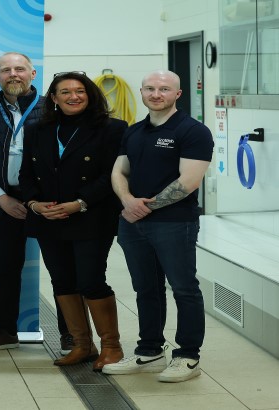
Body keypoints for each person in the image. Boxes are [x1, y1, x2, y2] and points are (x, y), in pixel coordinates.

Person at [103, 70, 213, 383]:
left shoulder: (193, 131)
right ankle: (149, 350)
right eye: (150, 88)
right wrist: (128, 201)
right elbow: (119, 171)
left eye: (164, 89)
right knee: (145, 288)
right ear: (141, 92)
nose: (156, 94)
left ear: (178, 94)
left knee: (184, 288)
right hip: (133, 223)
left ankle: (188, 355)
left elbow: (189, 181)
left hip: (174, 223)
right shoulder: (134, 131)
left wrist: (143, 207)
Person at [19, 71, 127, 370]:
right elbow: (26, 173)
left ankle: (112, 347)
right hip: (49, 217)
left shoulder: (113, 129)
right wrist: (34, 204)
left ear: (90, 95)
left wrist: (80, 202)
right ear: (54, 98)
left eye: (79, 91)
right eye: (65, 92)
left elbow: (113, 174)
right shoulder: (37, 129)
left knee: (91, 280)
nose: (73, 96)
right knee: (62, 281)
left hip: (92, 216)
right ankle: (82, 345)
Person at [0, 52, 61, 352]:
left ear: (33, 73)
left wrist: (48, 200)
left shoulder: (55, 109)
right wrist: (1, 198)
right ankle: (6, 331)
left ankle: (72, 336)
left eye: (20, 68)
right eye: (6, 70)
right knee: (6, 267)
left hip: (49, 201)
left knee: (61, 268)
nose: (13, 74)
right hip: (1, 200)